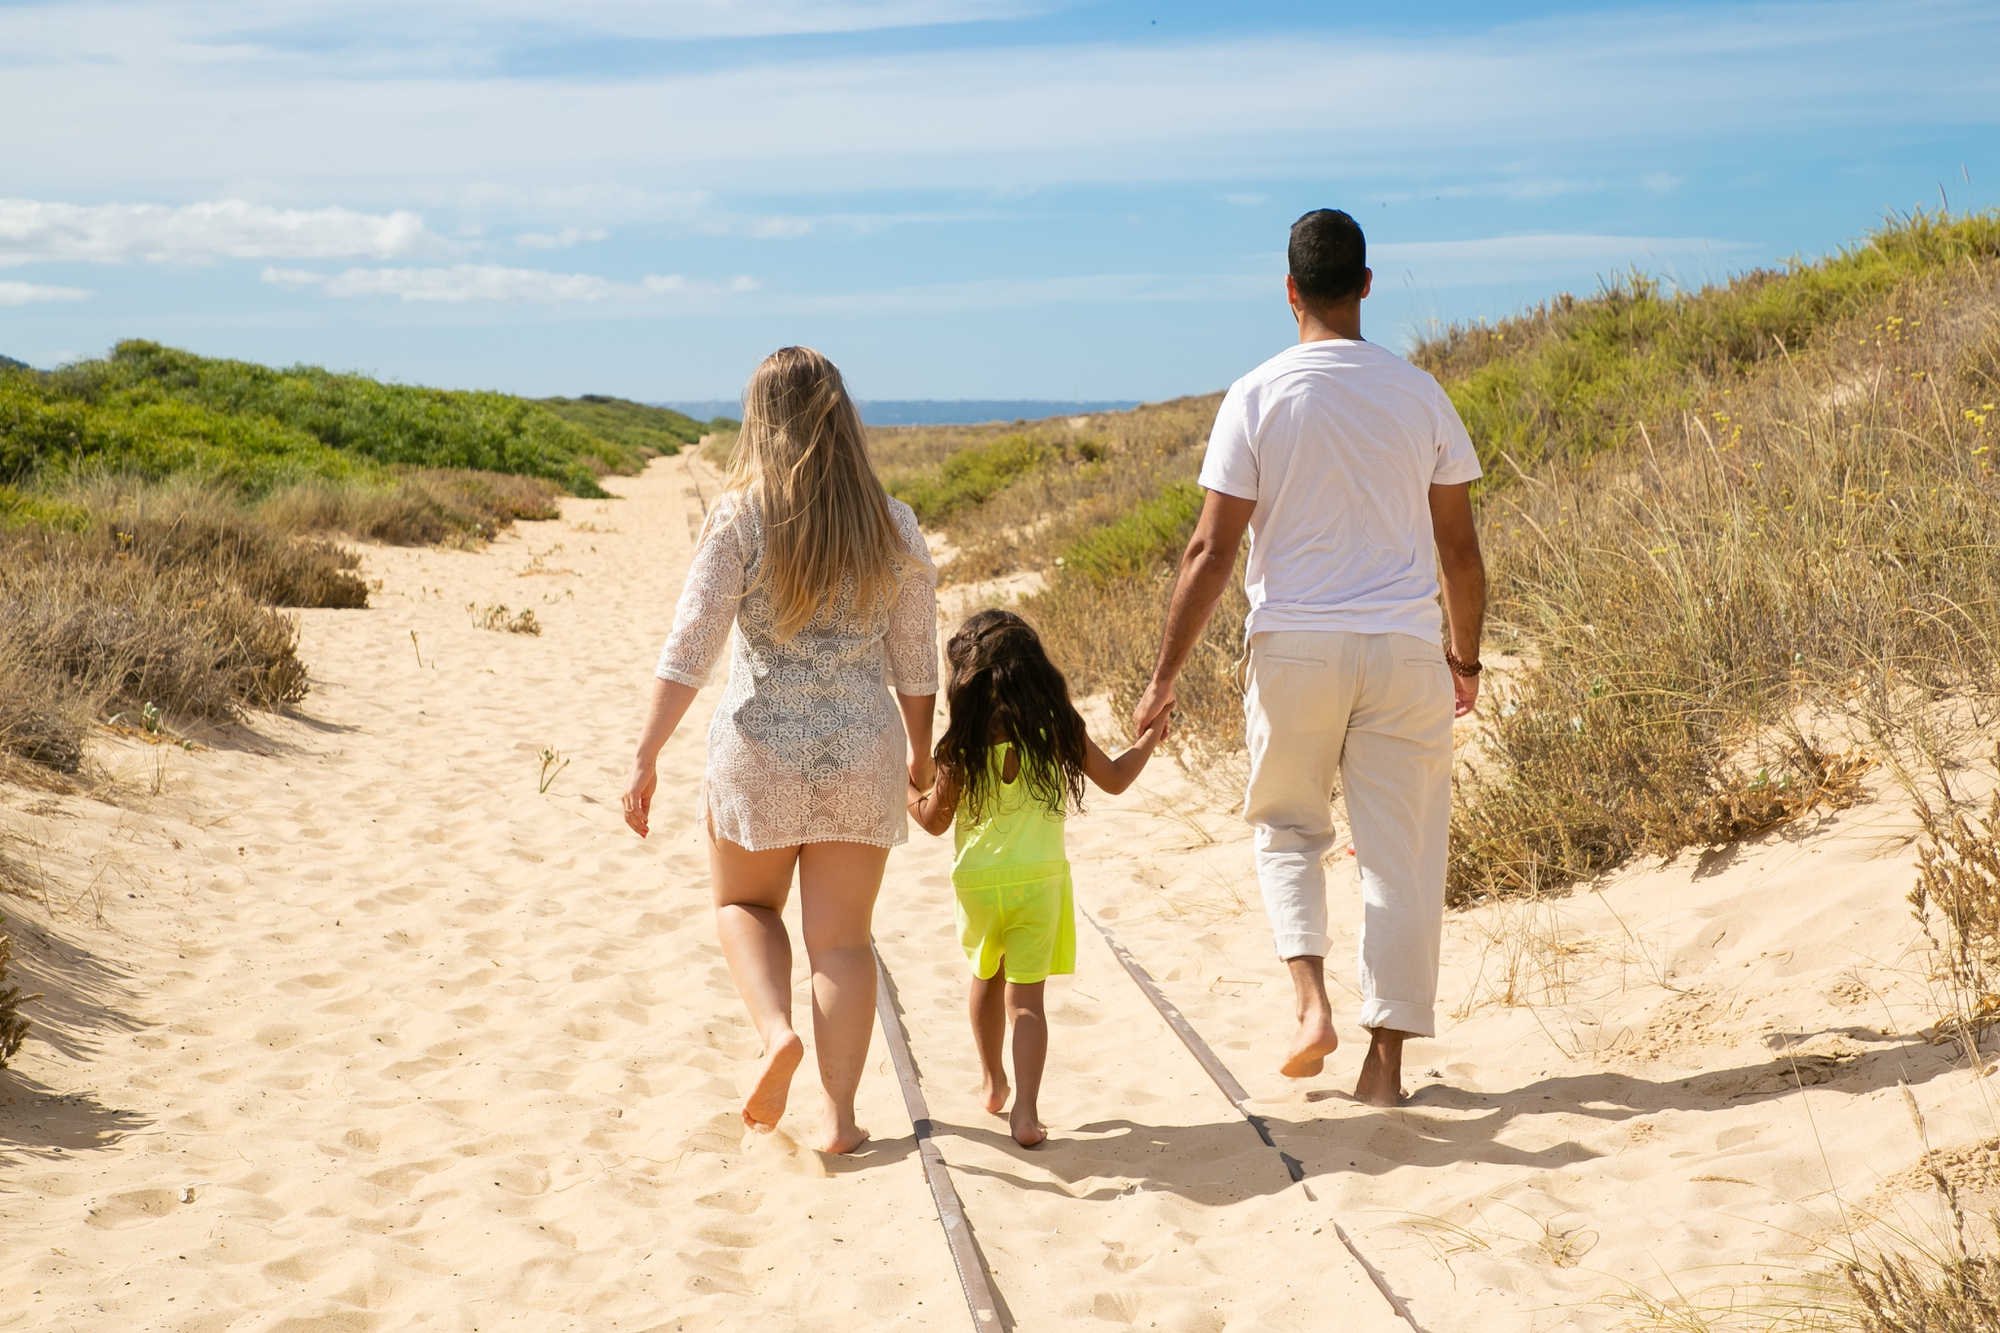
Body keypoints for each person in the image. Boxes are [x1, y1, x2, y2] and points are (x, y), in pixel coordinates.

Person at [1131, 209, 1487, 1107]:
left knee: (1288, 826)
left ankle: (1311, 1004)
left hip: (1292, 645)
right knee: (1402, 854)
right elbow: (1461, 551)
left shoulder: (1256, 394)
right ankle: (1385, 1069)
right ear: (1367, 284)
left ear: (1289, 291)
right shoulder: (1420, 395)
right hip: (1406, 648)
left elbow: (1209, 552)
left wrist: (1164, 675)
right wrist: (1466, 659)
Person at [622, 346, 938, 1154]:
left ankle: (774, 1034)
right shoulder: (893, 523)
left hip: (760, 750)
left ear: (761, 422)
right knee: (842, 942)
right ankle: (838, 1117)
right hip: (861, 752)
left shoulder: (742, 516)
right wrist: (921, 757)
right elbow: (914, 659)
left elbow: (689, 645)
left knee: (744, 907)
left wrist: (647, 752)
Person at [907, 609, 1168, 1147]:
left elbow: (934, 822)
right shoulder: (1057, 731)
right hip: (1039, 883)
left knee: (985, 974)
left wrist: (906, 792)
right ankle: (1025, 1112)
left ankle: (992, 1082)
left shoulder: (961, 745)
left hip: (978, 882)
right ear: (1034, 672)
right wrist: (1149, 741)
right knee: (1027, 1001)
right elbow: (1116, 780)